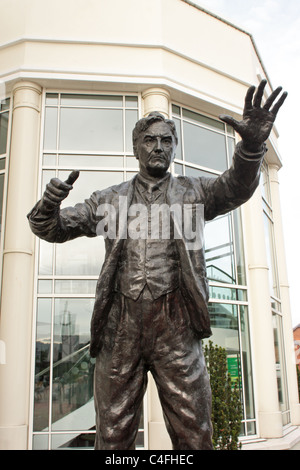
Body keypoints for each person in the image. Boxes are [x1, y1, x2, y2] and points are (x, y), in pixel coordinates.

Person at [27, 80, 287, 450]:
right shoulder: (108, 200)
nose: (159, 147)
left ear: (174, 148)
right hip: (122, 329)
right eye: (150, 140)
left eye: (167, 141)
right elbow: (50, 228)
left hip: (176, 327)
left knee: (194, 432)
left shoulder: (194, 193)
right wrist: (49, 204)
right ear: (136, 148)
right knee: (113, 436)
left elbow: (236, 188)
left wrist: (251, 148)